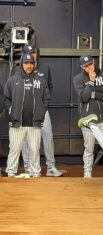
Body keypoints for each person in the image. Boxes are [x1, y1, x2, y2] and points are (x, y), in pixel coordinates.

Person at [73, 55, 103, 178]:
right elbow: (84, 97)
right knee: (89, 148)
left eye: (90, 64)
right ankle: (87, 173)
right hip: (88, 119)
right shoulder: (78, 79)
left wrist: (94, 95)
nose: (89, 67)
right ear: (82, 67)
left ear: (94, 62)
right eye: (86, 66)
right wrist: (90, 81)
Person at [4, 53, 50, 177]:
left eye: (31, 63)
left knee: (34, 151)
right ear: (22, 64)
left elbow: (46, 99)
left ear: (34, 64)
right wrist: (10, 111)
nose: (29, 66)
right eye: (26, 63)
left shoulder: (41, 81)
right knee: (14, 150)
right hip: (17, 122)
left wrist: (41, 112)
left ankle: (35, 173)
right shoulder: (13, 80)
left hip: (34, 123)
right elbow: (6, 98)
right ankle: (11, 173)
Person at [21, 44, 63, 177]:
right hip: (27, 111)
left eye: (34, 52)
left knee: (48, 135)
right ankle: (28, 167)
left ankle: (51, 167)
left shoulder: (45, 68)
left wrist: (44, 104)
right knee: (26, 138)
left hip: (42, 109)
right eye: (29, 53)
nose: (32, 54)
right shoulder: (21, 68)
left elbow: (50, 86)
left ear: (37, 53)